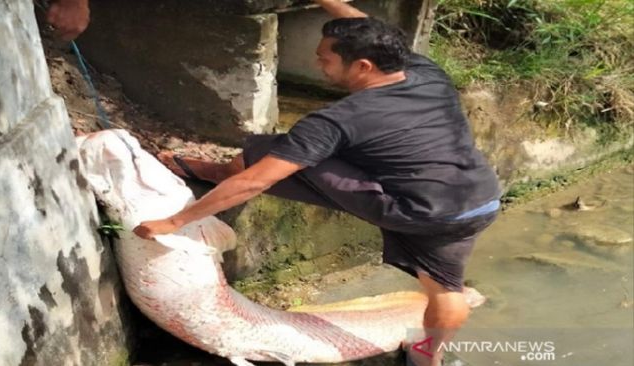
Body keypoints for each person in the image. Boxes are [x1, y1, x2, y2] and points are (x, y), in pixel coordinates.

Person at [134, 1, 501, 365]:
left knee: (266, 154)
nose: (317, 63)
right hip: (478, 200)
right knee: (445, 292)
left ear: (362, 66)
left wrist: (175, 222)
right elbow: (370, 28)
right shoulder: (424, 72)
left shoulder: (337, 120)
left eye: (325, 58)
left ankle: (212, 172)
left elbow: (254, 183)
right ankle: (427, 359)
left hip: (415, 209)